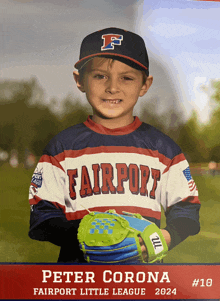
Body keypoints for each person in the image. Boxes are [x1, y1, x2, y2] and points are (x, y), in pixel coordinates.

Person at [28, 27, 201, 263]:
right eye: (100, 76)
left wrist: (166, 237)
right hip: (79, 281)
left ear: (145, 85)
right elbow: (42, 215)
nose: (112, 87)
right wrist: (82, 234)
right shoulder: (63, 147)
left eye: (126, 78)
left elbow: (187, 209)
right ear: (80, 81)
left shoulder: (163, 149)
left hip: (142, 282)